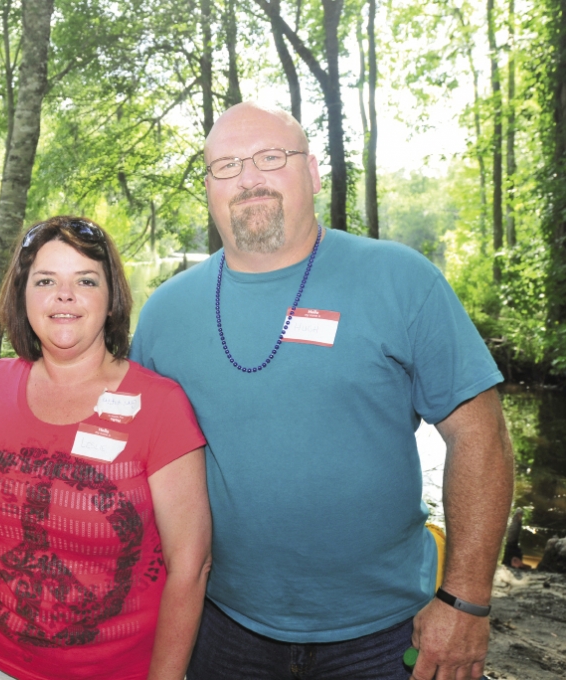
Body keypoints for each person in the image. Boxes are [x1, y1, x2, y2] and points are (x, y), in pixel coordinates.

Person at [130, 102, 515, 680]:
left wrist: (464, 599)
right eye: (227, 166)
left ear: (311, 172)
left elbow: (481, 436)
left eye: (270, 158)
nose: (249, 178)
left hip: (387, 635)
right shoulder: (164, 312)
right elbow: (134, 470)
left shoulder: (400, 279)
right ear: (208, 186)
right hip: (223, 628)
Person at [0, 216, 212, 680]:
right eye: (45, 281)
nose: (64, 295)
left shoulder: (160, 405)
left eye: (85, 280)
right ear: (22, 295)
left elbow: (190, 567)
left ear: (112, 297)